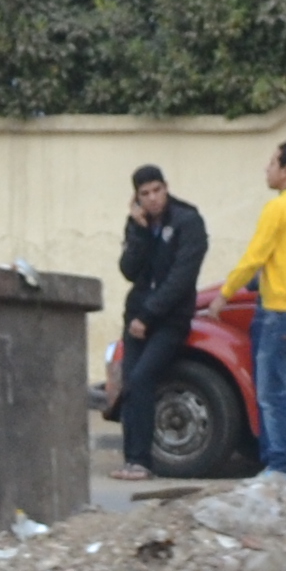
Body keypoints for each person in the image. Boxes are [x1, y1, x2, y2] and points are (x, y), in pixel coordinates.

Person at [223, 140, 286, 476]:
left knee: (272, 394)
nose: (266, 169)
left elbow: (256, 256)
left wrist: (225, 293)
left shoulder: (279, 209)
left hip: (281, 312)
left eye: (272, 163)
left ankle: (280, 466)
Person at [106, 165, 210, 479]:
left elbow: (181, 278)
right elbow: (129, 269)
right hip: (137, 316)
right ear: (136, 197)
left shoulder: (187, 221)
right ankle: (133, 460)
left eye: (157, 190)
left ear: (166, 188)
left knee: (142, 377)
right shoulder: (139, 224)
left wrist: (149, 315)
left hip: (169, 320)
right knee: (129, 385)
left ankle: (142, 462)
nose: (152, 199)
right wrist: (138, 232)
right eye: (144, 194)